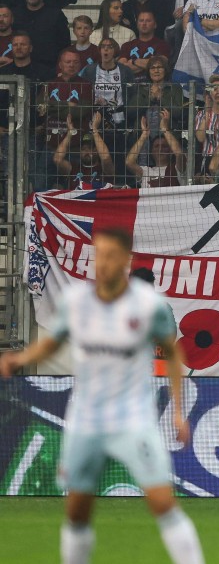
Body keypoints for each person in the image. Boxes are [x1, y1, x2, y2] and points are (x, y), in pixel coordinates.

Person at [0, 228, 205, 564]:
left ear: (124, 261)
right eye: (99, 256)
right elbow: (53, 341)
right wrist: (20, 358)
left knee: (163, 503)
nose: (103, 263)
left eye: (111, 256)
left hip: (133, 420)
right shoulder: (76, 302)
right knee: (77, 510)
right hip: (86, 420)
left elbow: (172, 355)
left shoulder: (149, 306)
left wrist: (178, 412)